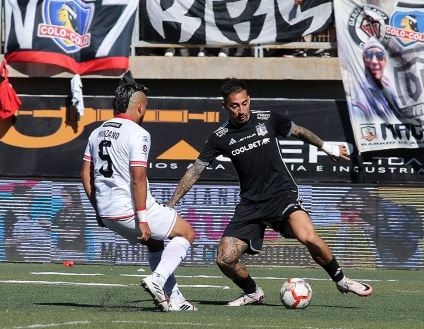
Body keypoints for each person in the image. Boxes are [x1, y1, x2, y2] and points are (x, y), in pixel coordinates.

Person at [167, 79, 373, 306]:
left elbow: (299, 131)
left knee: (309, 238)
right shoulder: (219, 137)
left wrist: (326, 147)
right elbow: (195, 170)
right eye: (234, 105)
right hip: (250, 205)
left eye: (244, 103)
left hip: (282, 195)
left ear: (249, 100)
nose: (241, 110)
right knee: (225, 260)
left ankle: (342, 280)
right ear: (224, 106)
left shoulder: (269, 119)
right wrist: (171, 203)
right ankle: (253, 292)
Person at [81, 71, 197, 312]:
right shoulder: (138, 133)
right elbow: (138, 178)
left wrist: (98, 211)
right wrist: (143, 219)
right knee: (186, 233)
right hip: (130, 211)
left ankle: (174, 299)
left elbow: (85, 174)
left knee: (156, 245)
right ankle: (158, 279)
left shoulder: (97, 131)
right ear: (141, 107)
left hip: (107, 213)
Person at [352, 37, 402, 122]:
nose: (374, 61)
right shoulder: (360, 99)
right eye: (368, 55)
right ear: (363, 61)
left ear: (385, 61)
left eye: (379, 56)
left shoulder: (392, 87)